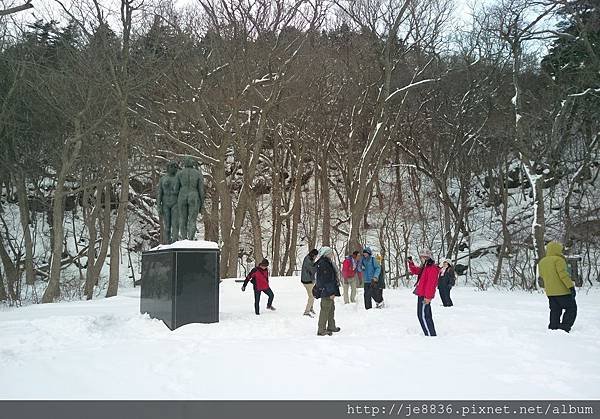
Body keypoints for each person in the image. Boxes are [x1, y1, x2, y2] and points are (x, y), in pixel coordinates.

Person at [538, 241, 577, 332]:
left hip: (550, 292)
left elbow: (542, 276)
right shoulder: (558, 260)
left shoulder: (542, 262)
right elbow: (563, 275)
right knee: (571, 308)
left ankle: (553, 326)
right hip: (562, 291)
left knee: (555, 310)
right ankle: (565, 326)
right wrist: (571, 287)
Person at [407, 249, 440, 336]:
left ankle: (429, 335)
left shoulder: (432, 268)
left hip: (425, 295)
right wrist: (411, 263)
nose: (423, 258)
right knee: (425, 315)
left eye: (425, 257)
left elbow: (431, 284)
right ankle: (431, 334)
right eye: (422, 256)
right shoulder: (425, 266)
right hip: (421, 293)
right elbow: (416, 271)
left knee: (422, 316)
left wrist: (428, 297)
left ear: (429, 257)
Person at [314, 246, 341, 336]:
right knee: (325, 309)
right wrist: (331, 292)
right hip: (326, 290)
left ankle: (331, 326)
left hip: (328, 289)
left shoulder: (327, 262)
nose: (332, 254)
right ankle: (321, 329)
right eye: (330, 253)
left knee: (331, 308)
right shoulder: (324, 264)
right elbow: (326, 280)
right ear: (326, 254)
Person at [177, 156, 205, 240]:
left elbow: (175, 189)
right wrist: (202, 204)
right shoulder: (197, 173)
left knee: (183, 219)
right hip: (193, 195)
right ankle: (190, 239)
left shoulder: (179, 173)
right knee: (192, 220)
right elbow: (201, 190)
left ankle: (184, 239)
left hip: (182, 195)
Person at [156, 161, 180, 243]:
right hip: (165, 203)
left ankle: (175, 242)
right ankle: (167, 243)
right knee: (167, 225)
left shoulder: (179, 178)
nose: (174, 169)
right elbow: (159, 193)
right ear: (168, 168)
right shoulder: (163, 179)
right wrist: (159, 206)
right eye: (172, 167)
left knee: (175, 224)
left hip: (176, 203)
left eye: (175, 167)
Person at [301, 248, 319, 317]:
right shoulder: (308, 260)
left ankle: (311, 308)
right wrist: (317, 265)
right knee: (311, 296)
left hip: (309, 280)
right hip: (307, 281)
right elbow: (312, 270)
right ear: (313, 255)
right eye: (315, 256)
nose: (315, 257)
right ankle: (306, 311)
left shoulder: (309, 258)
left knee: (312, 294)